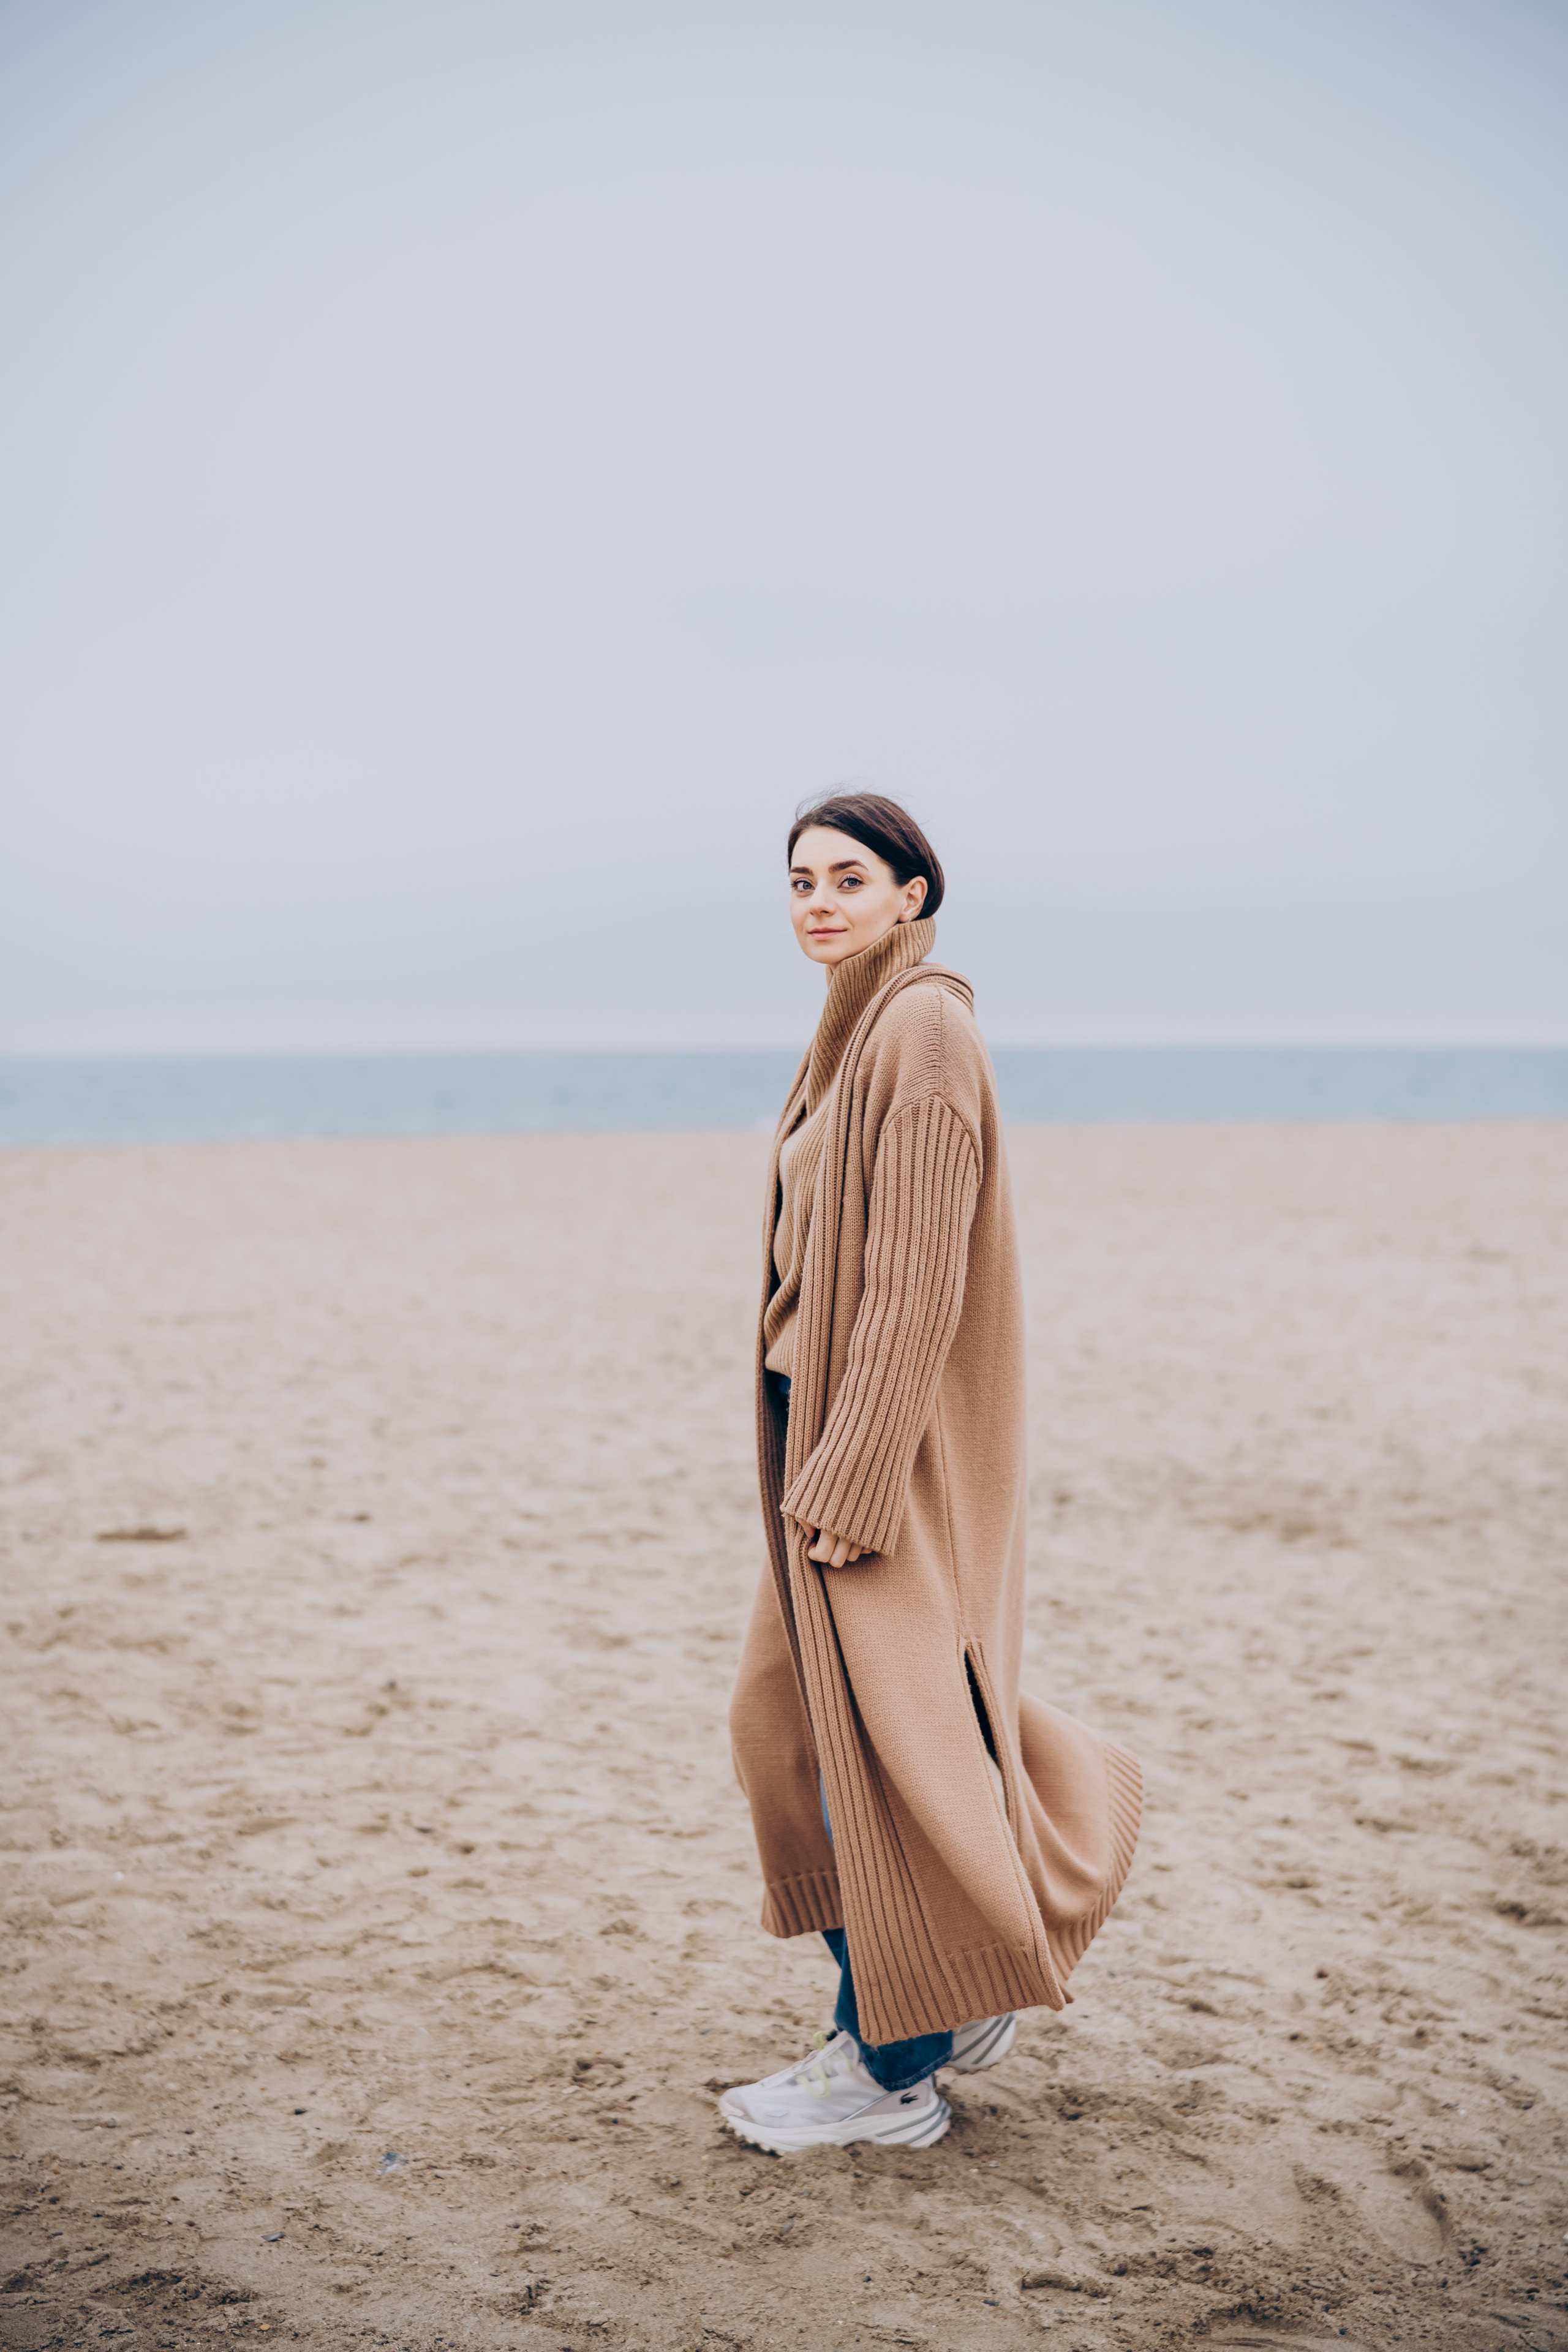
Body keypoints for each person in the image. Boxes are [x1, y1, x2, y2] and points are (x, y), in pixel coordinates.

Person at [721, 792, 1142, 2154]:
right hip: (822, 1440)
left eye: (850, 878)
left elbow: (913, 1283)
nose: (818, 901)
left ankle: (888, 2065)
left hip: (876, 1462)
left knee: (881, 1757)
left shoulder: (925, 1030)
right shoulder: (852, 1027)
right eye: (799, 881)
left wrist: (848, 1476)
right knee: (787, 1734)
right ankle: (938, 1999)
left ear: (914, 894)